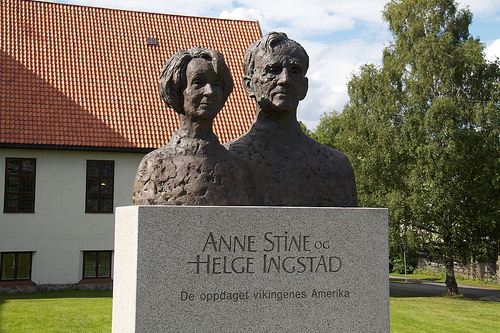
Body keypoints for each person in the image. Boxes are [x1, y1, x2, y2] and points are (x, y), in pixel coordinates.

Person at [224, 32, 358, 206]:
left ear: (304, 87)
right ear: (249, 85)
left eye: (295, 71)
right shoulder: (227, 163)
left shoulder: (335, 168)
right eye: (273, 70)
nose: (285, 79)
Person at [132, 47, 256, 205]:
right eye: (198, 82)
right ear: (178, 90)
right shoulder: (154, 166)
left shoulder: (238, 171)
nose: (209, 91)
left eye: (216, 84)